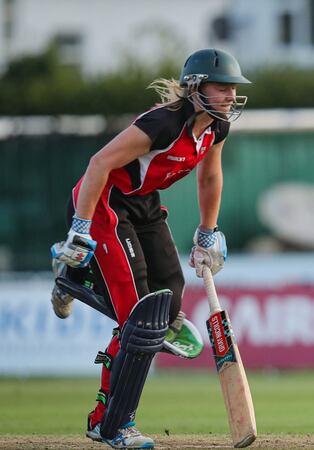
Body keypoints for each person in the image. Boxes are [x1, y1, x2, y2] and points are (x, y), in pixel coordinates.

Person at [49, 48, 250, 449]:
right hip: (105, 204)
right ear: (195, 88)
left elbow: (210, 178)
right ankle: (111, 424)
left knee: (169, 302)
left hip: (144, 206)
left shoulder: (216, 128)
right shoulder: (161, 124)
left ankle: (74, 280)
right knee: (139, 318)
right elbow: (98, 164)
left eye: (234, 88)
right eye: (222, 87)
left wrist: (207, 232)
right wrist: (81, 228)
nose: (230, 96)